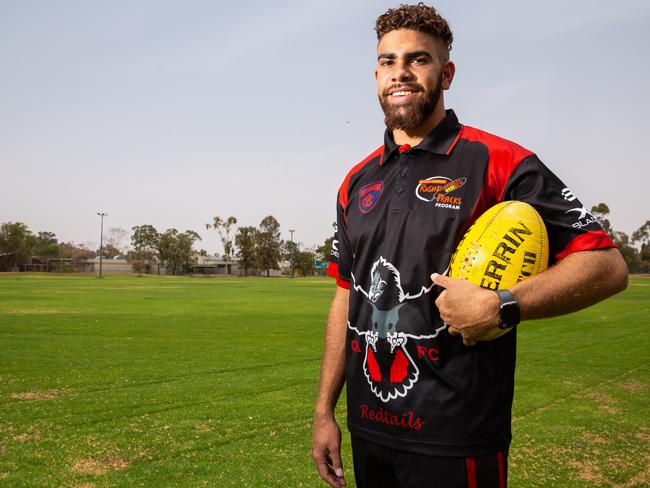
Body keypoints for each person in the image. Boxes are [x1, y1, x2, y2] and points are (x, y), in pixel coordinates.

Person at [311, 3, 628, 488]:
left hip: (456, 436)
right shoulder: (356, 181)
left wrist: (504, 305)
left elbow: (606, 266)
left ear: (447, 72)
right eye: (389, 62)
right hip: (369, 431)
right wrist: (323, 411)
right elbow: (344, 295)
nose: (402, 73)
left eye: (418, 60)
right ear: (376, 74)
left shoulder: (499, 160)